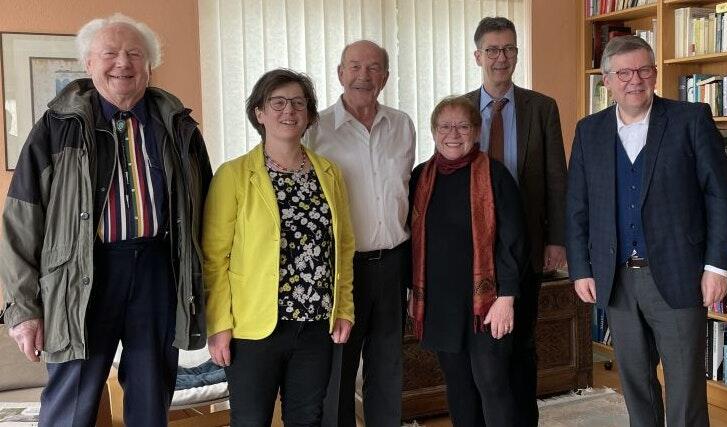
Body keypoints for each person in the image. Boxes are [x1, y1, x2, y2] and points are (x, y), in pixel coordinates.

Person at [0, 13, 212, 426]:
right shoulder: (55, 128)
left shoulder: (178, 126)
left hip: (157, 269)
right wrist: (23, 310)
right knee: (71, 400)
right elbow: (21, 221)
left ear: (149, 65)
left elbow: (206, 209)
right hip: (82, 272)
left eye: (135, 53)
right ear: (88, 64)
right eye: (110, 53)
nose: (123, 63)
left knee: (151, 399)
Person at [566, 35, 727, 426]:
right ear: (606, 80)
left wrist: (717, 268)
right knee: (636, 382)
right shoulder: (589, 130)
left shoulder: (689, 119)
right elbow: (578, 206)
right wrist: (581, 267)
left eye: (643, 70)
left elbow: (721, 197)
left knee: (685, 387)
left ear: (655, 73)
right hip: (617, 279)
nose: (634, 80)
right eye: (623, 73)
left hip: (679, 275)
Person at [203, 68, 355, 426]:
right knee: (250, 420)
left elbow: (343, 247)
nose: (289, 111)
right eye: (278, 103)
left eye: (298, 104)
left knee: (307, 419)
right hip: (254, 327)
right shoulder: (234, 175)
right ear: (259, 112)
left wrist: (344, 307)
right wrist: (219, 324)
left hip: (316, 324)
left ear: (309, 115)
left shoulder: (329, 174)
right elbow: (214, 257)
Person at [304, 40, 415, 427]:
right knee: (338, 368)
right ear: (339, 73)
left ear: (384, 77)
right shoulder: (314, 130)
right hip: (341, 269)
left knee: (387, 365)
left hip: (394, 262)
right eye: (354, 67)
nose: (363, 76)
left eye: (373, 68)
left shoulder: (402, 124)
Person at [465, 16, 567, 425]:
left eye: (509, 49)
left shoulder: (541, 108)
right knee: (478, 344)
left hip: (524, 242)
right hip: (472, 247)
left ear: (517, 54)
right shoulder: (460, 108)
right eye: (492, 50)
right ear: (478, 56)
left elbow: (556, 177)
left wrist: (556, 240)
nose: (501, 57)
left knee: (522, 341)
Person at [409, 96, 530, 426]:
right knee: (459, 385)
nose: (453, 133)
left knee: (492, 382)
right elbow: (412, 238)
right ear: (433, 132)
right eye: (444, 126)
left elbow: (513, 241)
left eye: (462, 126)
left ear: (476, 131)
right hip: (441, 303)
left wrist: (506, 297)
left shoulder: (495, 175)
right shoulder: (421, 176)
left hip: (486, 303)